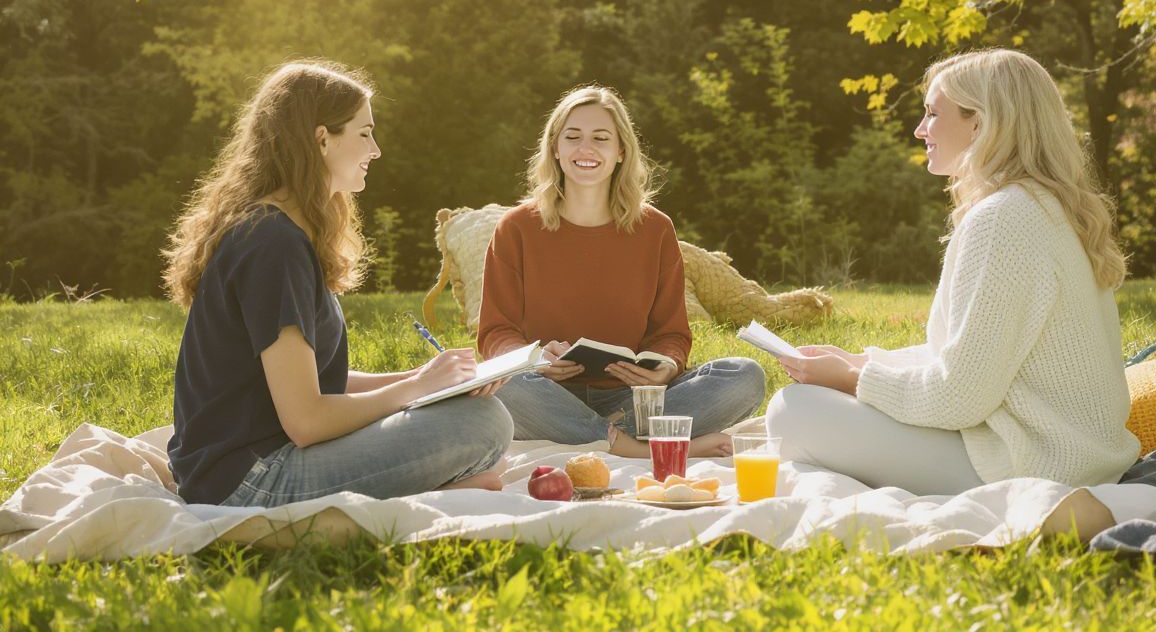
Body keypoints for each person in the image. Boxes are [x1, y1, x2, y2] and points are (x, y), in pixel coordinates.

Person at [765, 49, 1141, 494]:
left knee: (794, 410)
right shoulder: (1041, 207)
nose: (919, 129)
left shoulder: (1005, 217)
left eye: (931, 113)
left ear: (980, 124)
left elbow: (958, 397)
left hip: (1032, 466)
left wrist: (851, 379)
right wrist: (861, 362)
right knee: (812, 404)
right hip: (1075, 458)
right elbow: (968, 360)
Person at [164, 62, 513, 507]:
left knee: (469, 417)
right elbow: (307, 419)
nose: (377, 149)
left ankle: (434, 484)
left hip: (250, 463)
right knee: (481, 425)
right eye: (365, 133)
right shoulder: (274, 246)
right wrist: (415, 390)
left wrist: (424, 379)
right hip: (248, 481)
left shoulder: (280, 232)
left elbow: (313, 383)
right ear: (321, 138)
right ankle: (433, 488)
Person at [478, 85, 766, 459]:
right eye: (573, 137)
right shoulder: (516, 227)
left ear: (621, 152)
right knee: (504, 383)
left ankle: (598, 434)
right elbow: (496, 334)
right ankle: (639, 447)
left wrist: (664, 367)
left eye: (601, 138)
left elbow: (671, 335)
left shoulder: (655, 230)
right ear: (554, 147)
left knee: (744, 376)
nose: (587, 149)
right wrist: (533, 359)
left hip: (634, 400)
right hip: (544, 392)